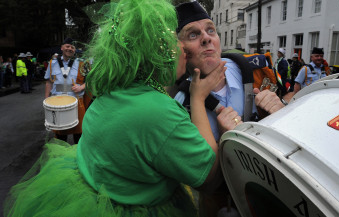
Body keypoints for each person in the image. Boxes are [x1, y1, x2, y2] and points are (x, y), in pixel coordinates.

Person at [4, 0, 226, 216]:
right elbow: (209, 178)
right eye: (172, 40)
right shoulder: (160, 113)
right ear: (157, 53)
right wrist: (198, 99)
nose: (183, 49)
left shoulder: (111, 92)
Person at [174, 2, 286, 216]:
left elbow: (289, 111)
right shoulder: (180, 107)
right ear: (181, 51)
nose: (207, 38)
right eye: (193, 35)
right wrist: (224, 143)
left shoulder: (258, 70)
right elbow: (202, 182)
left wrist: (278, 113)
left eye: (210, 30)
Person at [44, 37, 86, 144]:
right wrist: (46, 99)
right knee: (60, 136)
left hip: (77, 103)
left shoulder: (82, 63)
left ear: (75, 50)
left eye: (72, 47)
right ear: (62, 48)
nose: (70, 49)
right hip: (58, 103)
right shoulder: (52, 63)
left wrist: (81, 87)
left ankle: (78, 157)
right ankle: (62, 156)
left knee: (79, 135)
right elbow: (49, 82)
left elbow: (90, 81)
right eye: (67, 46)